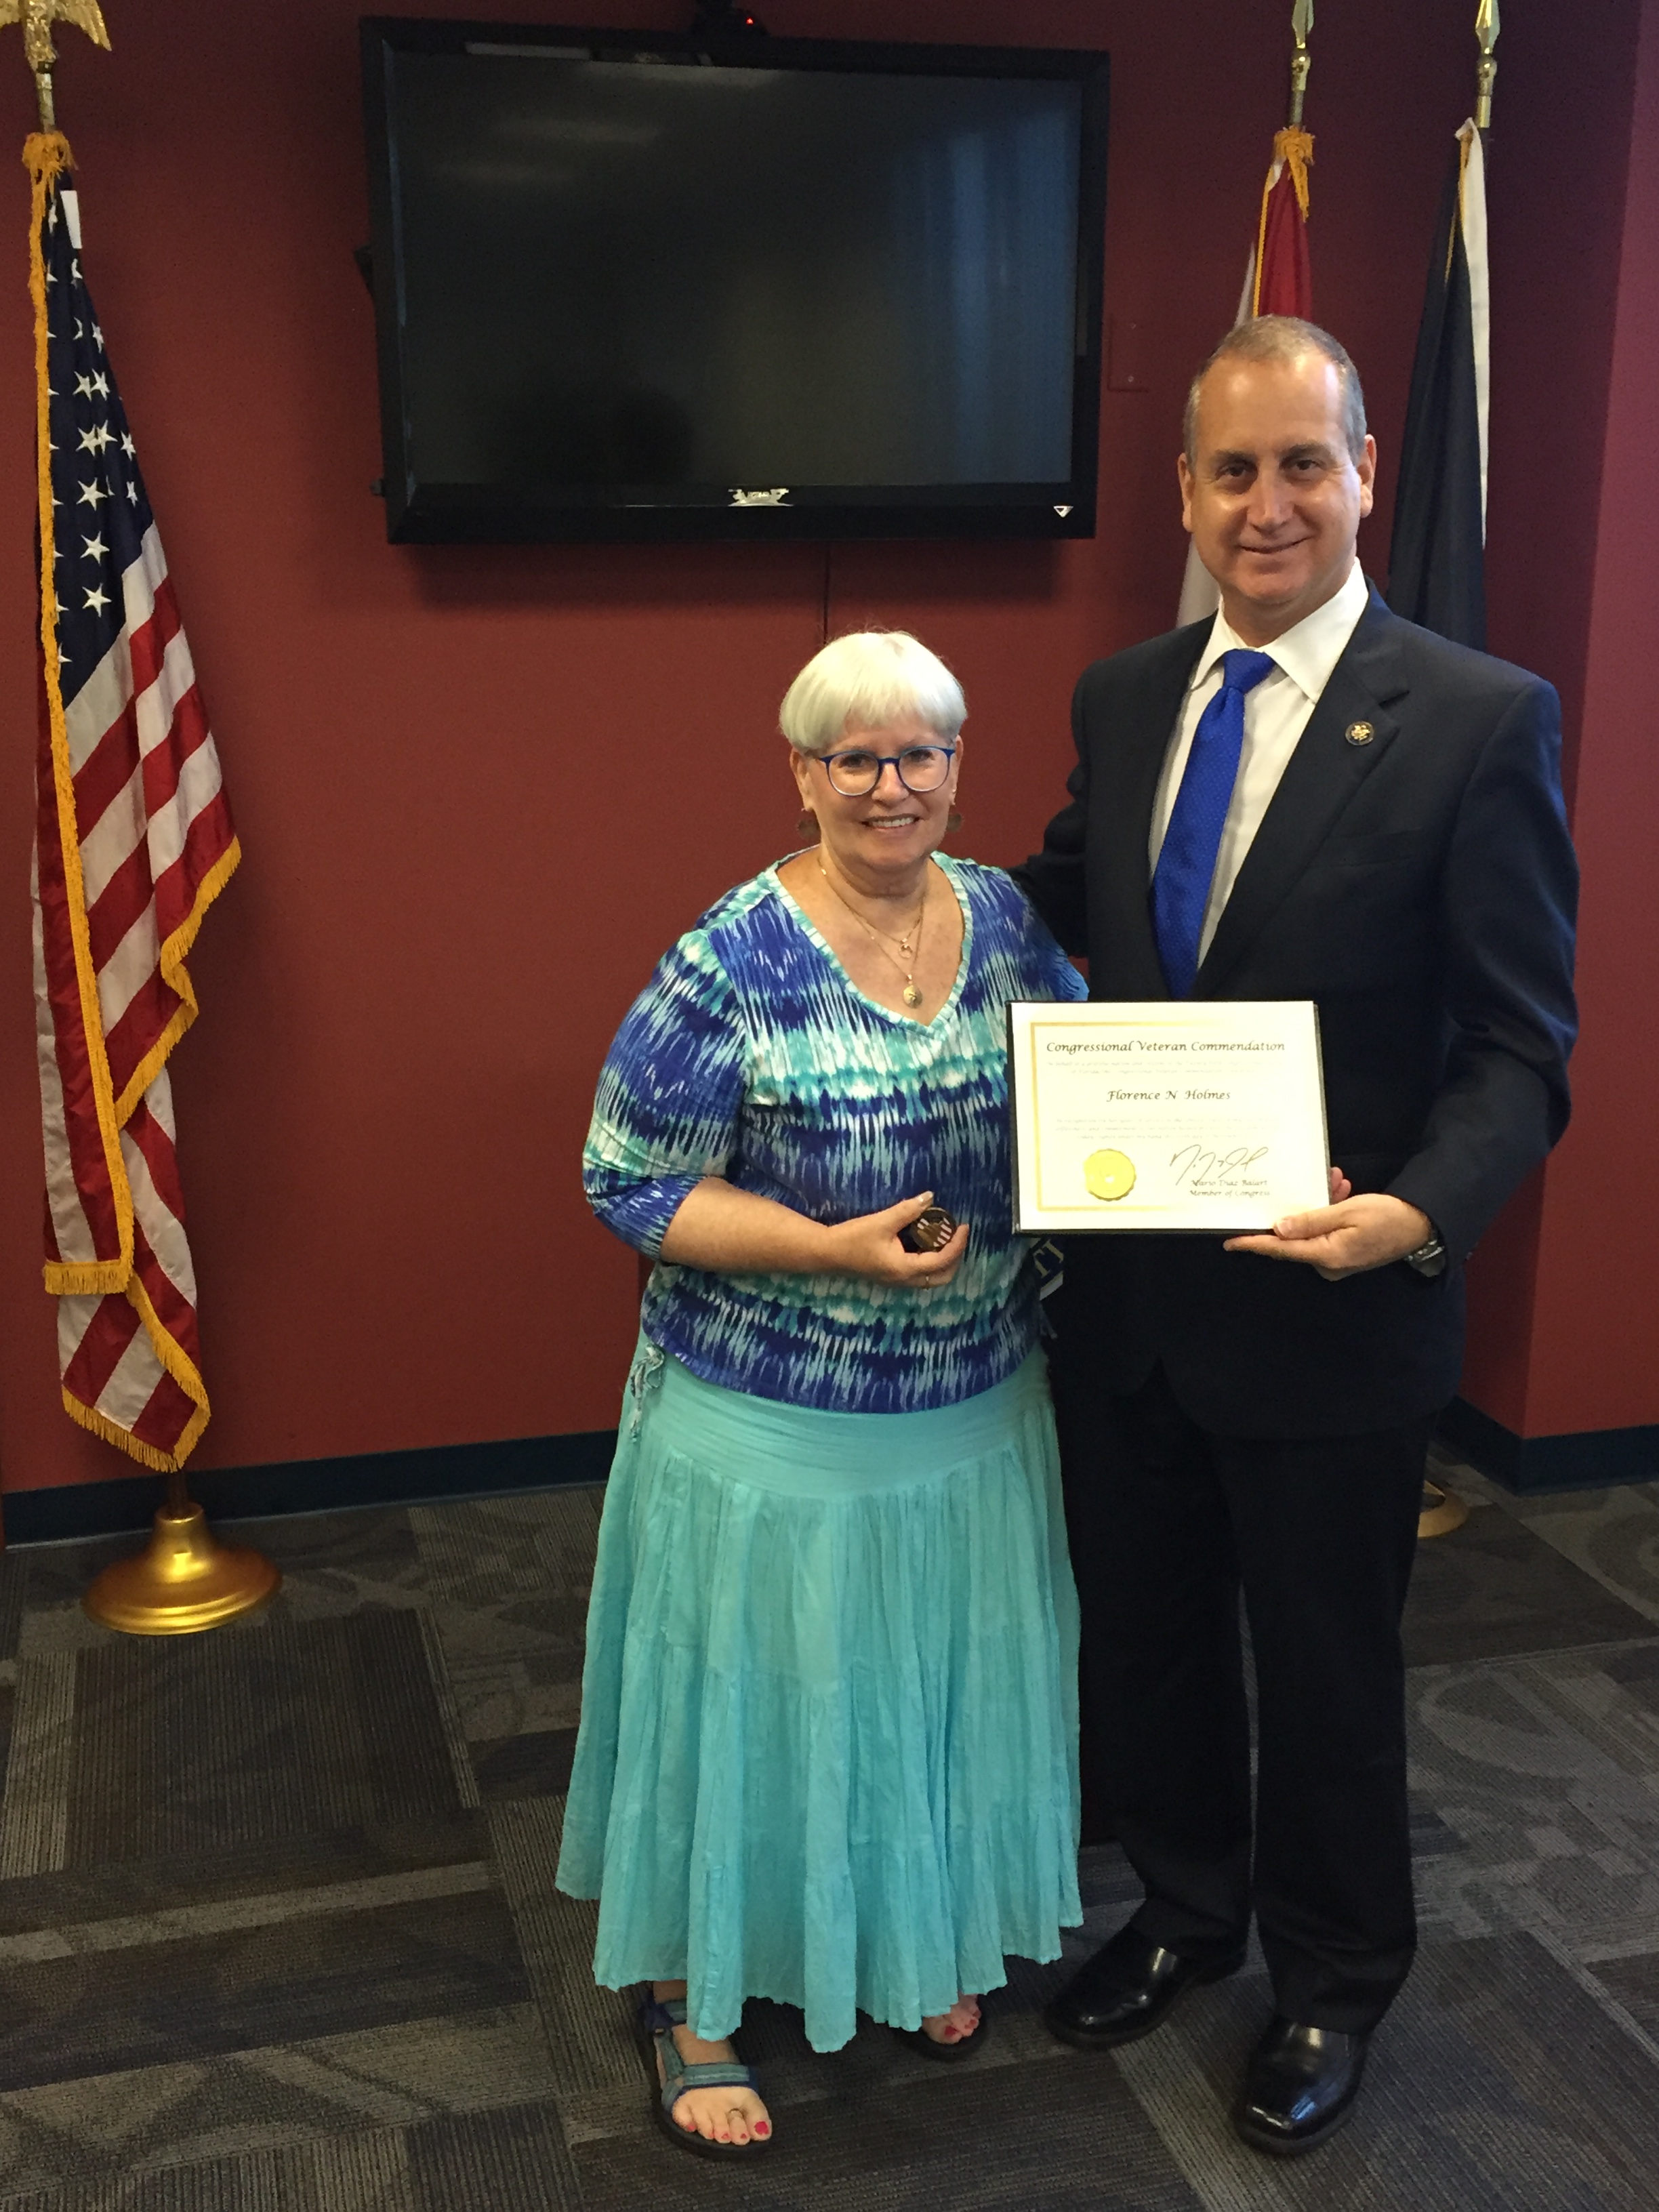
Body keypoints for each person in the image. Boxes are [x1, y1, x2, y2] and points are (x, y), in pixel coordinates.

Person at [1016, 316, 1578, 2156]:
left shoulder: (1481, 717)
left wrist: (1418, 1209)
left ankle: (1333, 1983)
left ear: (1360, 476)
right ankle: (1188, 1912)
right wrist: (857, 904)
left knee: (1328, 1671)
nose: (1269, 505)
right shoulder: (1122, 693)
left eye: (1304, 465)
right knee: (1156, 1640)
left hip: (1335, 1311)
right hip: (1136, 1302)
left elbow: (1517, 1045)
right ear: (1183, 490)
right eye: (1232, 471)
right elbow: (1064, 898)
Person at [558, 630, 1088, 2160]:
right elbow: (628, 1181)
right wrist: (825, 1249)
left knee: (923, 1688)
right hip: (769, 1425)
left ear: (958, 765)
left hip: (977, 1404)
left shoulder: (1004, 922)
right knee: (757, 1704)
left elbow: (1106, 1086)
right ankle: (694, 1998)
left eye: (919, 752)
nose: (888, 784)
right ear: (800, 773)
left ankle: (904, 1939)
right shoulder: (730, 954)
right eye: (852, 756)